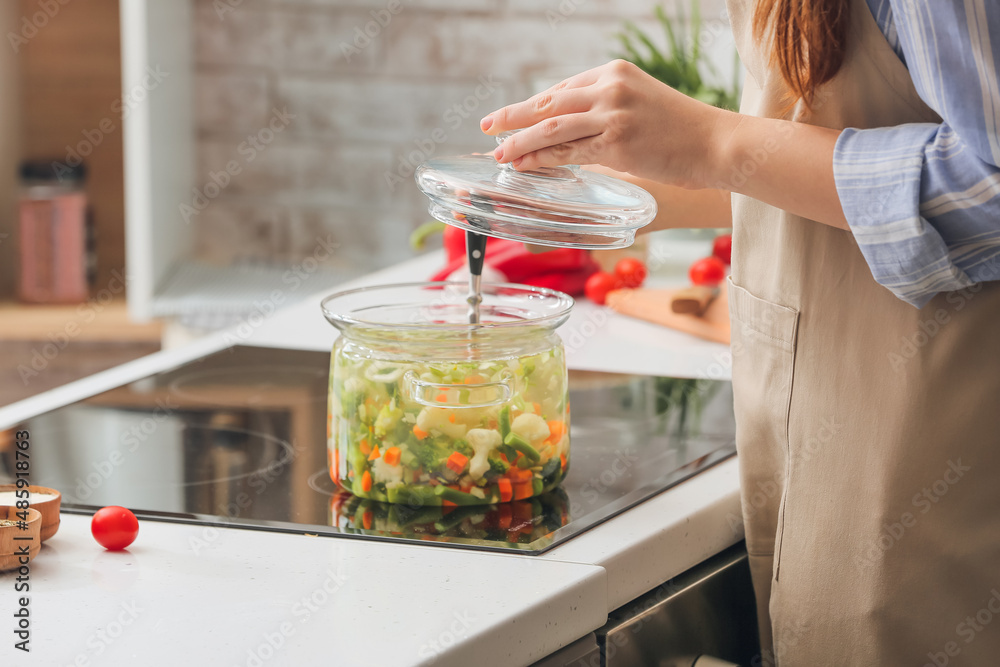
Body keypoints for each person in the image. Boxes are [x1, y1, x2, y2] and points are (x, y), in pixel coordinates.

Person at [481, 0, 1000, 664]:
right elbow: (855, 130)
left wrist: (711, 141)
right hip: (818, 421)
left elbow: (989, 182)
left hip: (940, 441)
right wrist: (654, 184)